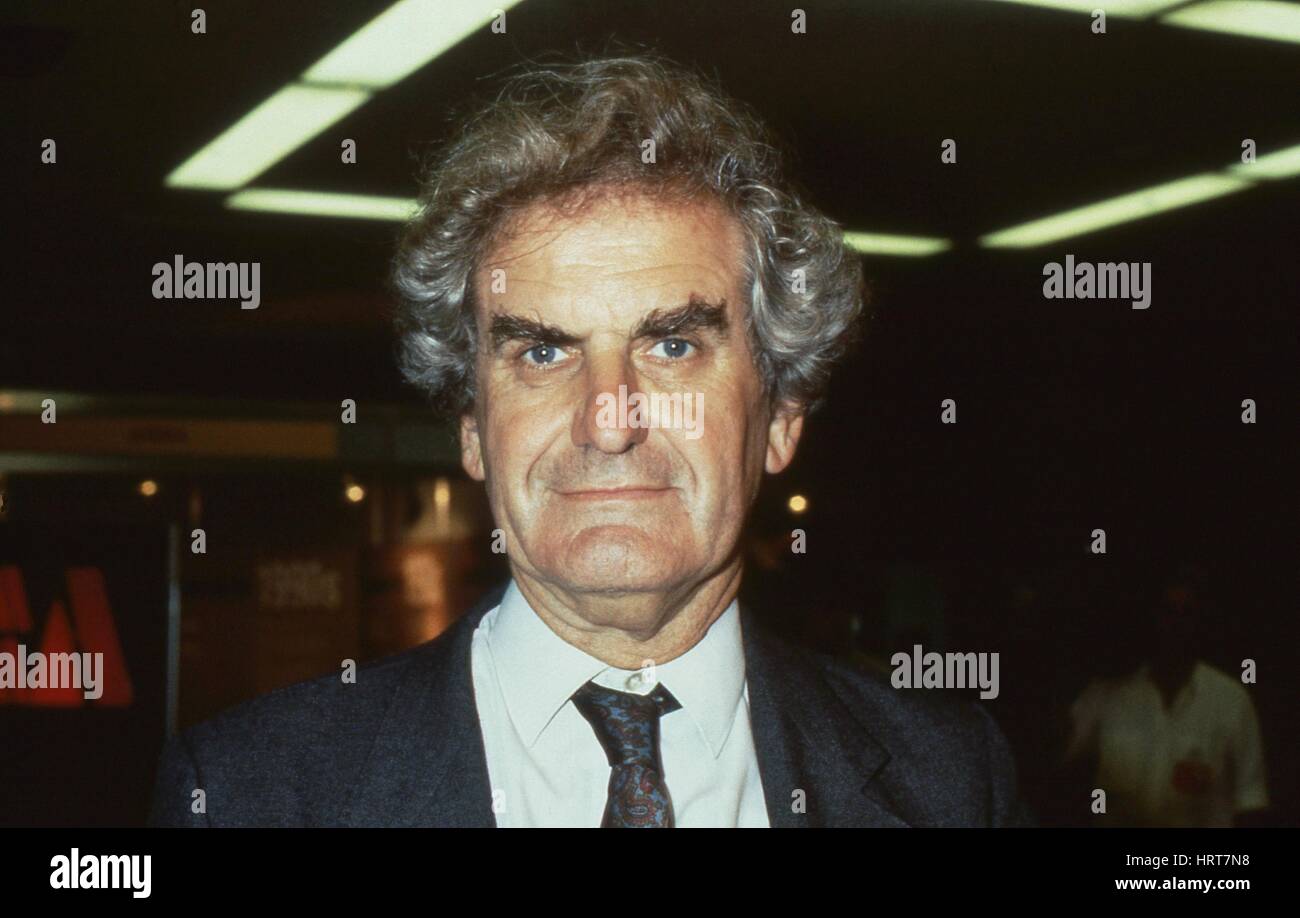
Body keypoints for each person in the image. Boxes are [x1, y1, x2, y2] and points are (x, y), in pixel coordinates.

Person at [149, 51, 1031, 828]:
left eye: (673, 344)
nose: (609, 419)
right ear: (470, 428)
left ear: (781, 416)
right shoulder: (247, 794)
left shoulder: (952, 783)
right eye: (542, 350)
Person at [1065, 566, 1269, 827]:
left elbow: (1251, 803)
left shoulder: (1231, 701)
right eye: (1168, 612)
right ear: (1152, 617)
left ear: (1201, 622)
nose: (1176, 625)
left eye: (1187, 614)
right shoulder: (1106, 694)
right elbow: (1056, 754)